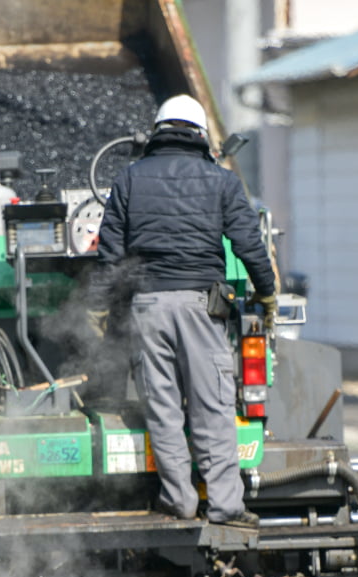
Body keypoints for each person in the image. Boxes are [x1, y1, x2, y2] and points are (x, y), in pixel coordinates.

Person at [94, 93, 278, 529]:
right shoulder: (222, 180)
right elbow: (250, 245)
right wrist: (267, 294)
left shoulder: (130, 178)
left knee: (163, 408)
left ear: (158, 132)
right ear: (199, 134)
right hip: (201, 306)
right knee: (212, 406)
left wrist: (101, 305)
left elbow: (110, 253)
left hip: (148, 308)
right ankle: (225, 506)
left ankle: (178, 500)